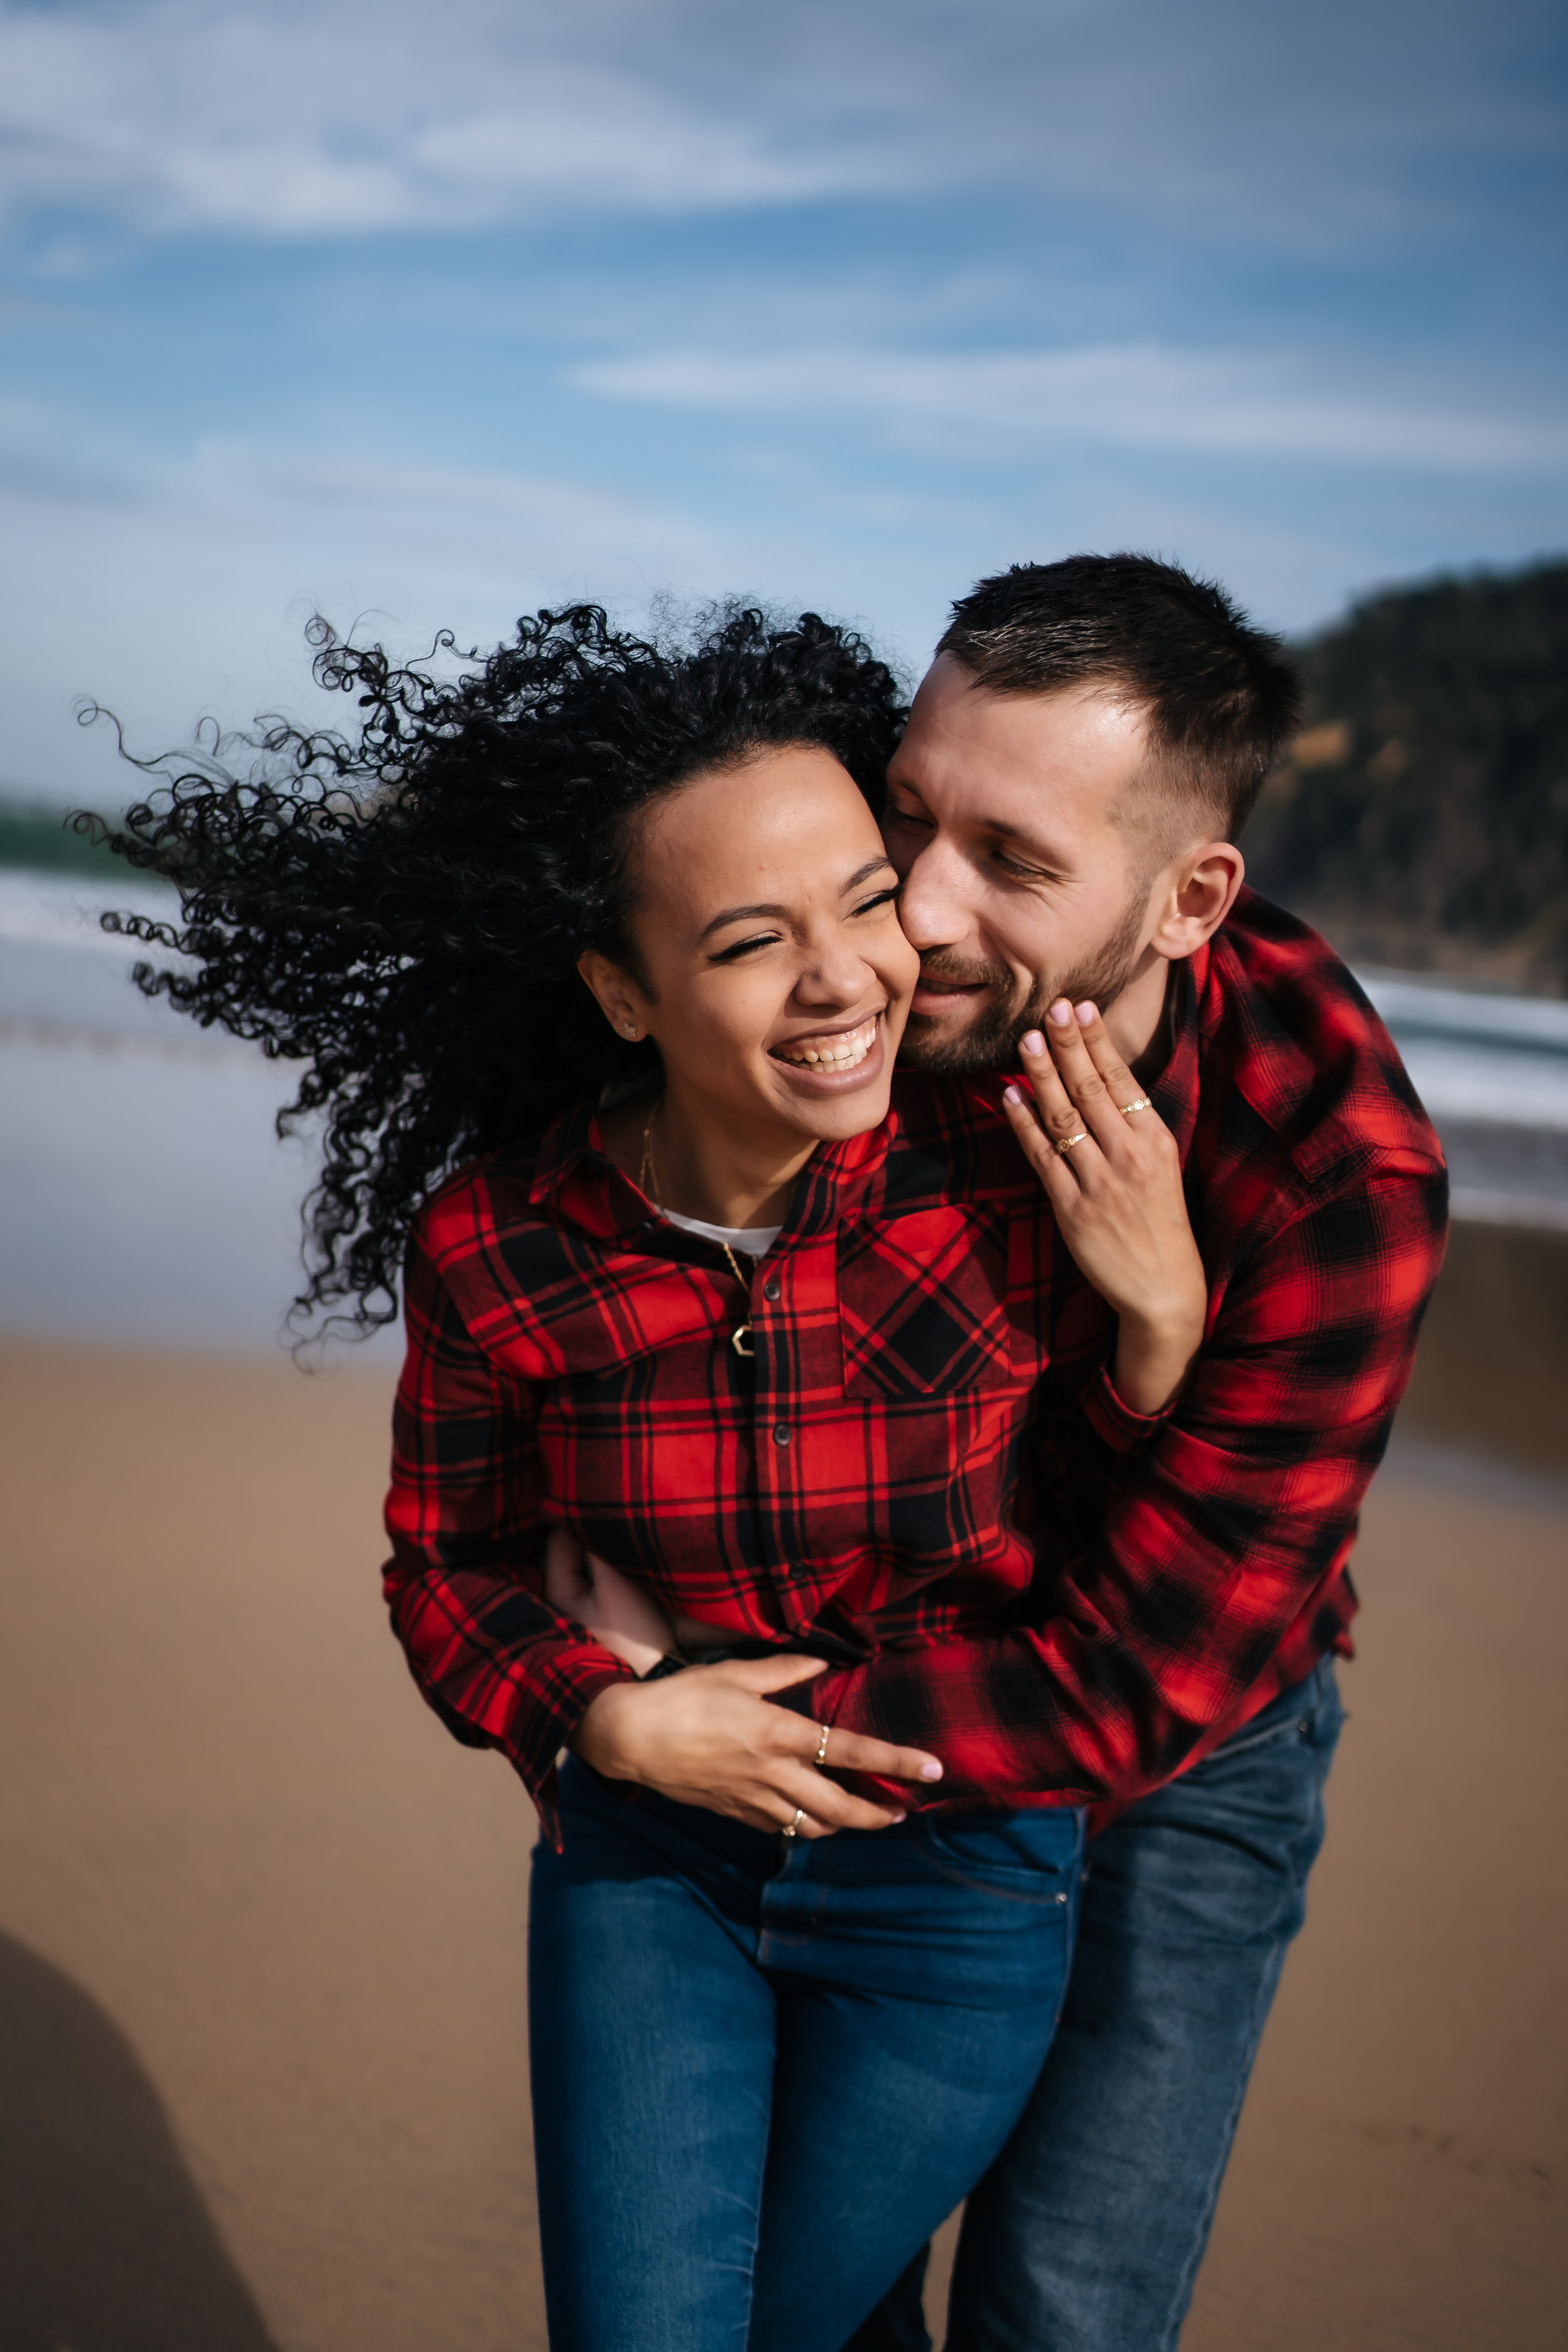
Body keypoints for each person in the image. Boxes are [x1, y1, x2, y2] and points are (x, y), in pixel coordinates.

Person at [89, 601, 1212, 2352]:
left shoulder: (1007, 1174)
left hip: (958, 1885)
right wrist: (596, 1721)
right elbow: (443, 1570)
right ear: (625, 991)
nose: (844, 979)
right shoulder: (502, 1244)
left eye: (865, 902)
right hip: (653, 1873)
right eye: (752, 941)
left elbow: (1114, 1534)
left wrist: (1163, 1321)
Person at [828, 555, 1449, 2352]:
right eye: (908, 810)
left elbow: (1128, 1691)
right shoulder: (856, 993)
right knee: (834, 2279)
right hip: (905, 1631)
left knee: (1067, 2303)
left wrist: (714, 1707)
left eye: (1014, 861)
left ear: (1190, 901)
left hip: (1194, 1723)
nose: (919, 907)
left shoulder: (1335, 1168)